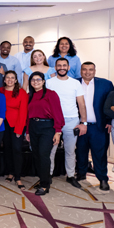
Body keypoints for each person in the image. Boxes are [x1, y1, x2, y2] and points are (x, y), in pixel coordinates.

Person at [46, 58, 87, 189]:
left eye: (64, 65)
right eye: (59, 65)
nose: (62, 67)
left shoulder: (75, 83)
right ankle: (48, 175)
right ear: (55, 67)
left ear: (68, 67)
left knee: (70, 151)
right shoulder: (48, 83)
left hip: (71, 120)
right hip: (53, 121)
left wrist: (83, 122)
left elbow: (81, 104)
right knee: (51, 150)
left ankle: (70, 176)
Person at [76, 62, 114, 191]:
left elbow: (112, 103)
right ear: (80, 71)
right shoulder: (74, 83)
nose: (87, 72)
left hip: (99, 126)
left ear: (95, 71)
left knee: (100, 153)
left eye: (90, 69)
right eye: (84, 69)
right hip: (79, 125)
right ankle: (81, 173)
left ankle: (102, 178)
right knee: (80, 151)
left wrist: (110, 121)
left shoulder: (106, 84)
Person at [26, 72, 64, 196]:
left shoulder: (51, 94)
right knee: (36, 155)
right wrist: (27, 132)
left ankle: (44, 185)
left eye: (38, 79)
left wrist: (58, 131)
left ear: (43, 81)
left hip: (47, 127)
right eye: (33, 80)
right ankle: (44, 178)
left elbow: (57, 113)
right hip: (33, 127)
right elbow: (28, 115)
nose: (35, 82)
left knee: (43, 155)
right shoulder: (29, 96)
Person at [0, 70, 28, 189]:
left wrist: (19, 129)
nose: (10, 80)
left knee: (16, 150)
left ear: (16, 80)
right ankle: (10, 172)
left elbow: (23, 112)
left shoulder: (21, 92)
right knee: (7, 149)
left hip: (16, 125)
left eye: (12, 78)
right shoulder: (0, 90)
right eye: (8, 77)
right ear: (4, 79)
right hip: (3, 124)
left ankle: (18, 177)